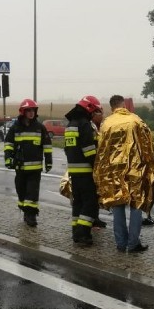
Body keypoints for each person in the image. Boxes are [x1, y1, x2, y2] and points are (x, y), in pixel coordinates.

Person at [94, 95, 154, 253]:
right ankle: (133, 243)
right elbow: (148, 144)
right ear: (123, 104)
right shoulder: (135, 120)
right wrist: (153, 161)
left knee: (117, 206)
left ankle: (121, 243)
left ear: (111, 107)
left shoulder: (106, 123)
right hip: (134, 171)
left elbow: (101, 150)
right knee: (135, 205)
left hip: (114, 172)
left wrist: (100, 173)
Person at [4, 98, 53, 227]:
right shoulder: (15, 128)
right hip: (19, 167)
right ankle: (25, 210)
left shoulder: (40, 128)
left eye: (33, 110)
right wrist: (8, 158)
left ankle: (31, 215)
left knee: (32, 191)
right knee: (21, 190)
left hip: (35, 168)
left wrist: (48, 161)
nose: (31, 113)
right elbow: (8, 144)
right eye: (28, 110)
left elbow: (47, 146)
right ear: (23, 112)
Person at [64, 95, 102, 246]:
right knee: (91, 203)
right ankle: (83, 234)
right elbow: (89, 149)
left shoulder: (71, 124)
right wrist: (96, 168)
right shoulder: (85, 124)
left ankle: (75, 233)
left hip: (74, 171)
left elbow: (68, 149)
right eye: (95, 111)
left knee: (78, 203)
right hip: (86, 171)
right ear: (89, 109)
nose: (94, 115)